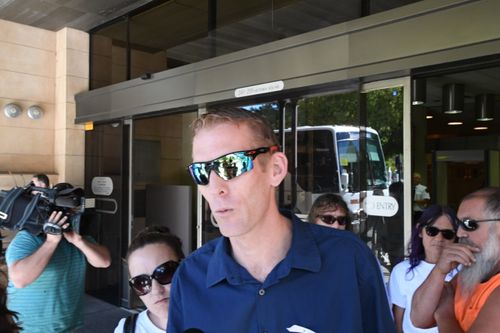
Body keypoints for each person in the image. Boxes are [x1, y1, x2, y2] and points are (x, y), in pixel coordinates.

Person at [168, 109, 395, 332]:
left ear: (276, 169)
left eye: (231, 166)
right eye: (201, 172)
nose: (215, 188)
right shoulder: (190, 279)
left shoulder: (348, 260)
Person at [6, 173, 112, 332]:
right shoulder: (28, 239)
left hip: (69, 327)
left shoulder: (78, 238)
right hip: (28, 329)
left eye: (72, 210)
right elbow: (20, 279)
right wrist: (51, 242)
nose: (69, 215)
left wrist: (78, 241)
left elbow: (104, 261)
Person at [411, 187, 500, 332]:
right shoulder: (474, 272)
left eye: (470, 224)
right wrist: (439, 271)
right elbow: (419, 318)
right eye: (459, 224)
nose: (459, 233)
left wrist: (445, 315)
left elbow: (436, 313)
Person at [388, 204, 458, 333]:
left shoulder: (464, 272)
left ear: (456, 237)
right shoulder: (401, 271)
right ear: (420, 231)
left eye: (447, 234)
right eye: (432, 231)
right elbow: (399, 319)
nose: (439, 238)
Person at [114, 226, 184, 333]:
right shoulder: (127, 329)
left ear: (185, 268)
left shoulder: (214, 318)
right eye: (141, 283)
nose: (156, 290)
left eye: (165, 273)